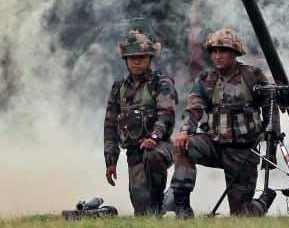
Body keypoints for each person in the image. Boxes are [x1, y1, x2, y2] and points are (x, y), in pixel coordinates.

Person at [170, 27, 279, 218]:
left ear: (235, 53)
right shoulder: (206, 79)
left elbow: (271, 109)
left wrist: (272, 148)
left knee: (242, 215)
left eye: (224, 51)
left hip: (243, 151)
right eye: (214, 51)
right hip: (213, 144)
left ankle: (263, 201)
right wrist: (185, 131)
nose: (218, 56)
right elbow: (194, 107)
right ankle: (181, 206)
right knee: (183, 146)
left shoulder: (252, 75)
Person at [104, 30, 177, 215]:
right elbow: (110, 125)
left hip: (160, 147)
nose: (136, 62)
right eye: (132, 57)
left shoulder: (161, 83)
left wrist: (154, 137)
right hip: (134, 153)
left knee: (152, 156)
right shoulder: (118, 88)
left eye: (142, 57)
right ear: (126, 60)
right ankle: (168, 201)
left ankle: (166, 198)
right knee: (142, 210)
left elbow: (166, 114)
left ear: (150, 58)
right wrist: (110, 161)